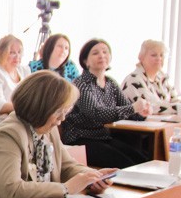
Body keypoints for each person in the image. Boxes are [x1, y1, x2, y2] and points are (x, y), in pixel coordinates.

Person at [62, 38, 151, 168]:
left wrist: (142, 112)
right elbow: (96, 113)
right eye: (95, 53)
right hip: (80, 139)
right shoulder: (81, 83)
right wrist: (133, 108)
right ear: (85, 61)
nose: (102, 56)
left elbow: (128, 110)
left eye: (105, 52)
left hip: (102, 137)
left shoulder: (110, 83)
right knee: (126, 165)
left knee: (143, 161)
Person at [119, 40, 180, 116]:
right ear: (141, 57)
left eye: (161, 55)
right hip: (137, 123)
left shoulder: (163, 78)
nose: (159, 58)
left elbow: (175, 100)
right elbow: (151, 108)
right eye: (154, 55)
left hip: (161, 122)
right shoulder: (134, 79)